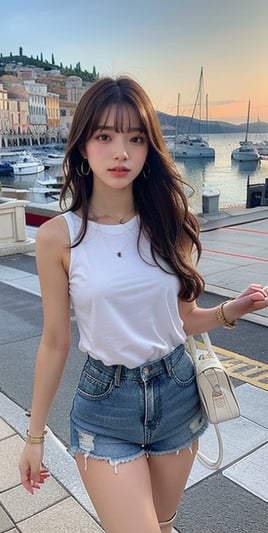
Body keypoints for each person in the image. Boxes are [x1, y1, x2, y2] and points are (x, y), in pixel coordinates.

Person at [18, 75, 268, 533]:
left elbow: (183, 319)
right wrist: (34, 437)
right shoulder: (59, 237)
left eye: (135, 138)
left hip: (177, 395)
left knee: (164, 524)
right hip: (104, 405)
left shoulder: (175, 222)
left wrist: (228, 311)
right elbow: (55, 341)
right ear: (82, 146)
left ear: (149, 148)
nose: (120, 152)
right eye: (105, 136)